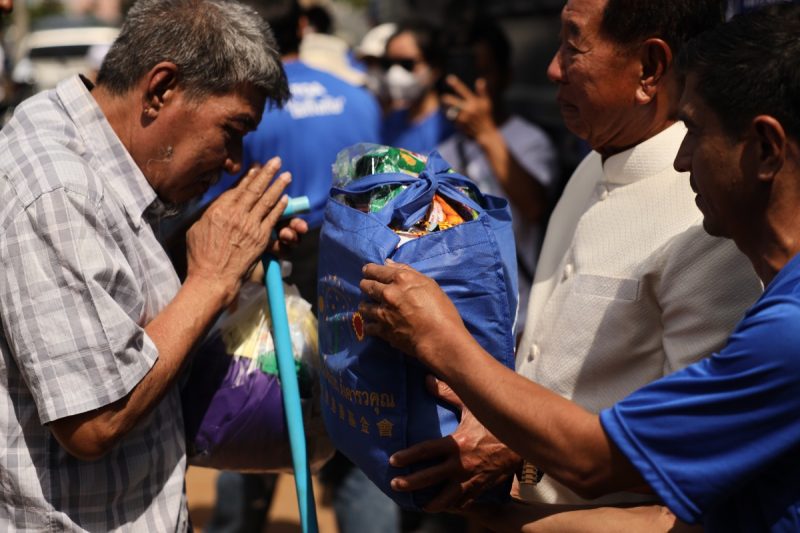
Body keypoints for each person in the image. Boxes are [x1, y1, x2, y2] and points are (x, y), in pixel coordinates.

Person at [359, 3, 800, 530]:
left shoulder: (715, 225)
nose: (552, 68)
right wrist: (495, 414)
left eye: (573, 45)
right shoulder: (597, 163)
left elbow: (668, 478)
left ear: (650, 69)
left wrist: (444, 344)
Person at [0, 0, 306, 530]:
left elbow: (118, 299)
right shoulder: (58, 189)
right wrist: (212, 278)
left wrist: (216, 242)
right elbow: (95, 419)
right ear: (161, 89)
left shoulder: (95, 154)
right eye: (232, 130)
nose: (234, 161)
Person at [200, 1, 388, 532]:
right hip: (353, 274)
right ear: (303, 26)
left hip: (271, 268)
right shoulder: (359, 99)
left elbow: (217, 207)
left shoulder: (248, 107)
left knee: (250, 406)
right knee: (357, 427)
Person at [437, 19, 558, 329]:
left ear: (506, 76)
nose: (474, 85)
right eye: (465, 73)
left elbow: (535, 207)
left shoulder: (530, 140)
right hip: (464, 314)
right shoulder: (444, 151)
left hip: (520, 314)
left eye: (483, 72)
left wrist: (485, 133)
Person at [379, 19, 454, 154]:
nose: (395, 73)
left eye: (407, 64)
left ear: (435, 68)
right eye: (388, 64)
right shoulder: (390, 122)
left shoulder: (448, 129)